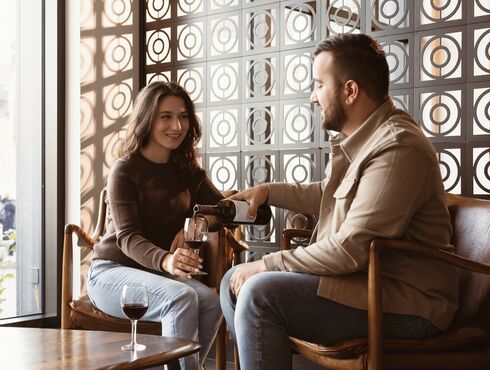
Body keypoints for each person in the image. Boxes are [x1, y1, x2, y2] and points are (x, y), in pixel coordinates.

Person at [220, 33, 458, 370]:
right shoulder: (366, 138)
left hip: (407, 302)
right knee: (231, 283)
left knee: (259, 293)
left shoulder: (398, 149)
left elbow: (350, 250)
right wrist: (268, 191)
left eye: (318, 84)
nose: (312, 98)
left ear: (350, 91)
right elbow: (329, 193)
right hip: (364, 287)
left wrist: (267, 263)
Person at [87, 81, 223, 370]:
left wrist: (199, 220)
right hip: (111, 274)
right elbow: (127, 237)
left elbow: (224, 210)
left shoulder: (188, 171)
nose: (177, 125)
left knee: (212, 302)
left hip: (158, 275)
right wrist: (167, 260)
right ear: (147, 119)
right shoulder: (125, 170)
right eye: (166, 116)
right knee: (183, 296)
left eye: (184, 116)